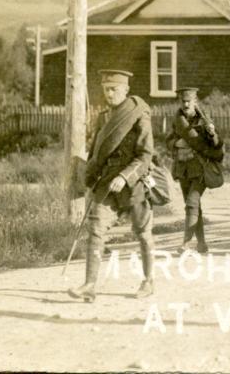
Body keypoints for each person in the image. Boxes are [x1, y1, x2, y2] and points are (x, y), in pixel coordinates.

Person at [69, 69, 155, 302]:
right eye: (106, 89)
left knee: (143, 233)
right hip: (107, 182)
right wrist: (90, 178)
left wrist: (125, 177)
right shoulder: (104, 117)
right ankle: (89, 285)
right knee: (96, 229)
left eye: (114, 89)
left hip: (134, 183)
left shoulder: (138, 113)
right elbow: (96, 153)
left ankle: (148, 281)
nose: (109, 94)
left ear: (126, 90)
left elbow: (145, 155)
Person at [166, 87, 222, 254]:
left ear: (195, 101)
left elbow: (217, 144)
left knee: (191, 203)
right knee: (193, 206)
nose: (186, 104)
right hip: (183, 169)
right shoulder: (177, 120)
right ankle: (202, 244)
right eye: (183, 101)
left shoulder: (204, 118)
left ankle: (186, 243)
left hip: (200, 168)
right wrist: (176, 143)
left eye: (189, 101)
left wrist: (212, 133)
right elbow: (168, 140)